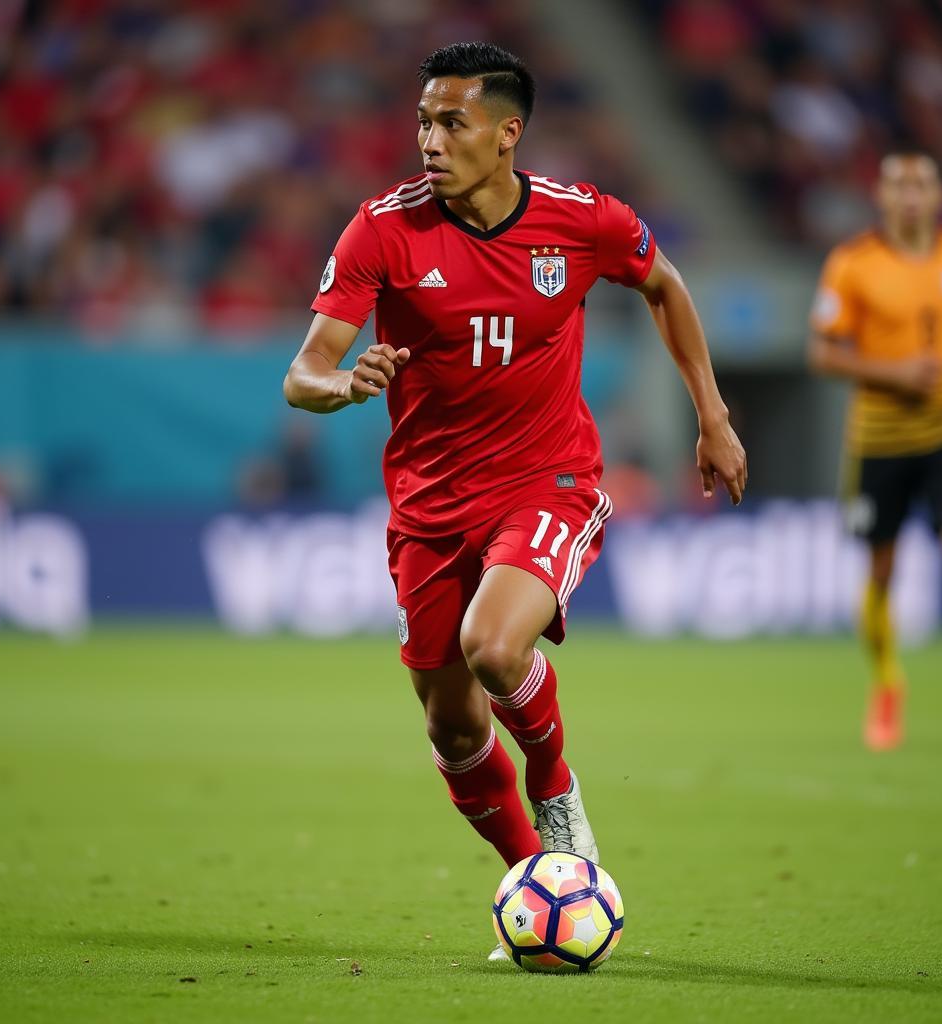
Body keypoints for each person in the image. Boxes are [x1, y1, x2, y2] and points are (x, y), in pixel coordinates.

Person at [283, 41, 746, 954]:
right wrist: (344, 386)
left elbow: (664, 282)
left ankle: (559, 789)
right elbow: (305, 372)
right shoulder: (382, 228)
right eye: (422, 120)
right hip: (427, 506)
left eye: (451, 122)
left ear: (506, 134)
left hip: (550, 480)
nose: (429, 139)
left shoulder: (583, 220)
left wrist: (713, 416)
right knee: (452, 728)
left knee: (494, 648)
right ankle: (538, 881)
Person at [809, 152, 942, 750]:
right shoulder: (853, 264)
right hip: (879, 438)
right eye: (897, 185)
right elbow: (824, 353)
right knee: (881, 569)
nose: (910, 195)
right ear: (881, 198)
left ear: (939, 195)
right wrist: (895, 372)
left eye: (920, 184)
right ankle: (887, 686)